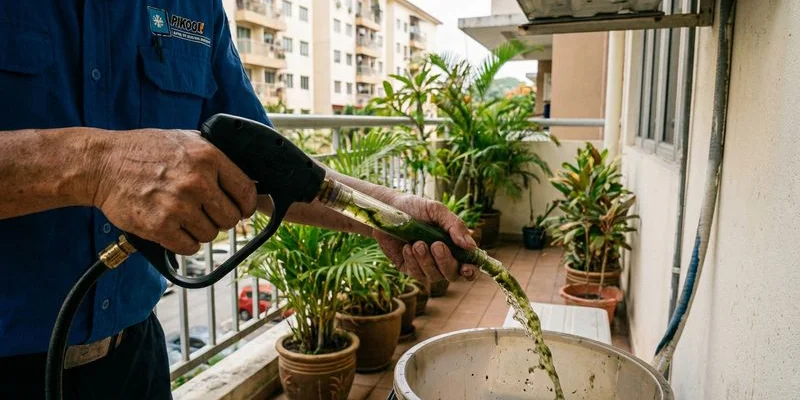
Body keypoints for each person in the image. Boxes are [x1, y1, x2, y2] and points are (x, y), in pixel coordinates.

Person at [0, 1, 477, 398]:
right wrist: (94, 166)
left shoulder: (194, 6)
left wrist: (386, 212)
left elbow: (264, 169)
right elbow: (102, 166)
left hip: (134, 362)